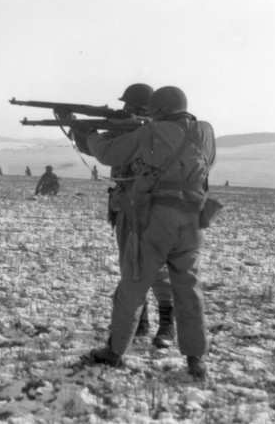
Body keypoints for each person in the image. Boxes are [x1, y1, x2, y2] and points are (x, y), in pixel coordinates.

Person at [71, 86, 216, 380]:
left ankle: (114, 351)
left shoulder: (151, 131)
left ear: (158, 109)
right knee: (189, 288)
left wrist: (88, 134)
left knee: (133, 284)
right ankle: (195, 360)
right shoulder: (205, 131)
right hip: (192, 219)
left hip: (156, 218)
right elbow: (206, 163)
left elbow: (107, 153)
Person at [84, 83, 176, 347]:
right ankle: (141, 322)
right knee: (130, 268)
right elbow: (100, 149)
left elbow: (108, 149)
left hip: (151, 207)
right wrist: (78, 130)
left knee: (157, 269)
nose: (124, 109)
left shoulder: (153, 133)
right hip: (126, 206)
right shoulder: (130, 130)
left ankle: (167, 324)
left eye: (130, 106)